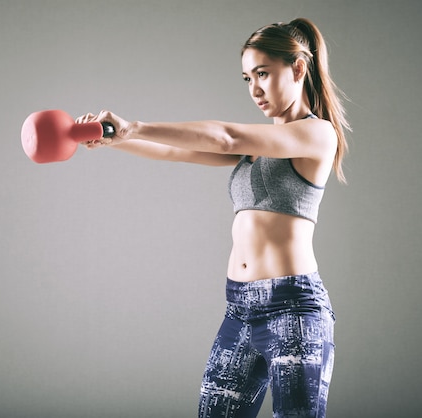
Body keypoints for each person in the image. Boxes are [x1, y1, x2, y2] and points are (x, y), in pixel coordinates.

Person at [76, 17, 348, 418]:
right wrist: (117, 138)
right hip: (239, 308)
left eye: (263, 74)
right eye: (247, 78)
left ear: (298, 68)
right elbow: (174, 151)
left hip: (293, 308)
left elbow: (227, 136)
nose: (255, 89)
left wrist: (136, 124)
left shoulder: (317, 134)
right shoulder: (256, 147)